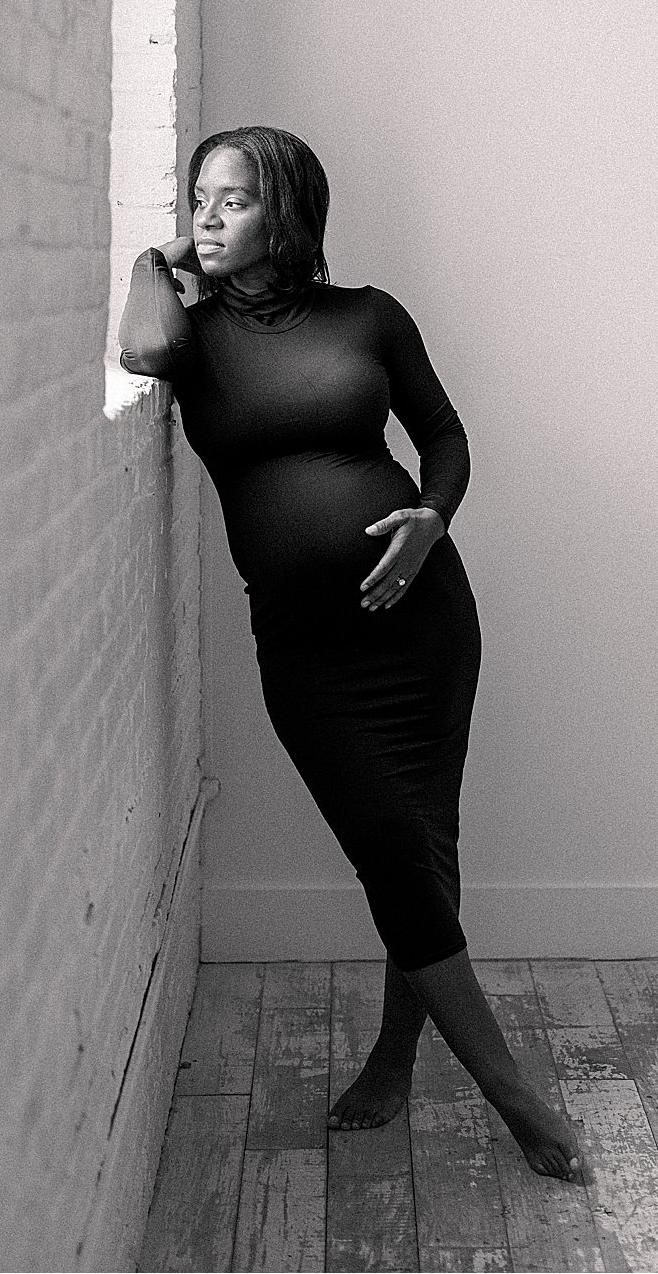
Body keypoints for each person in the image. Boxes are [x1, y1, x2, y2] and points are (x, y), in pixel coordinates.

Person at [119, 125, 581, 1181]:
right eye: (199, 196)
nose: (207, 214)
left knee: (424, 839)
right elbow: (139, 350)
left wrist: (430, 516)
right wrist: (165, 259)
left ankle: (396, 1049)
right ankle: (514, 1092)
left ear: (287, 211)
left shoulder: (369, 316)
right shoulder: (187, 333)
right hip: (305, 645)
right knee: (387, 842)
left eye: (233, 201)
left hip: (422, 623)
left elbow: (447, 434)